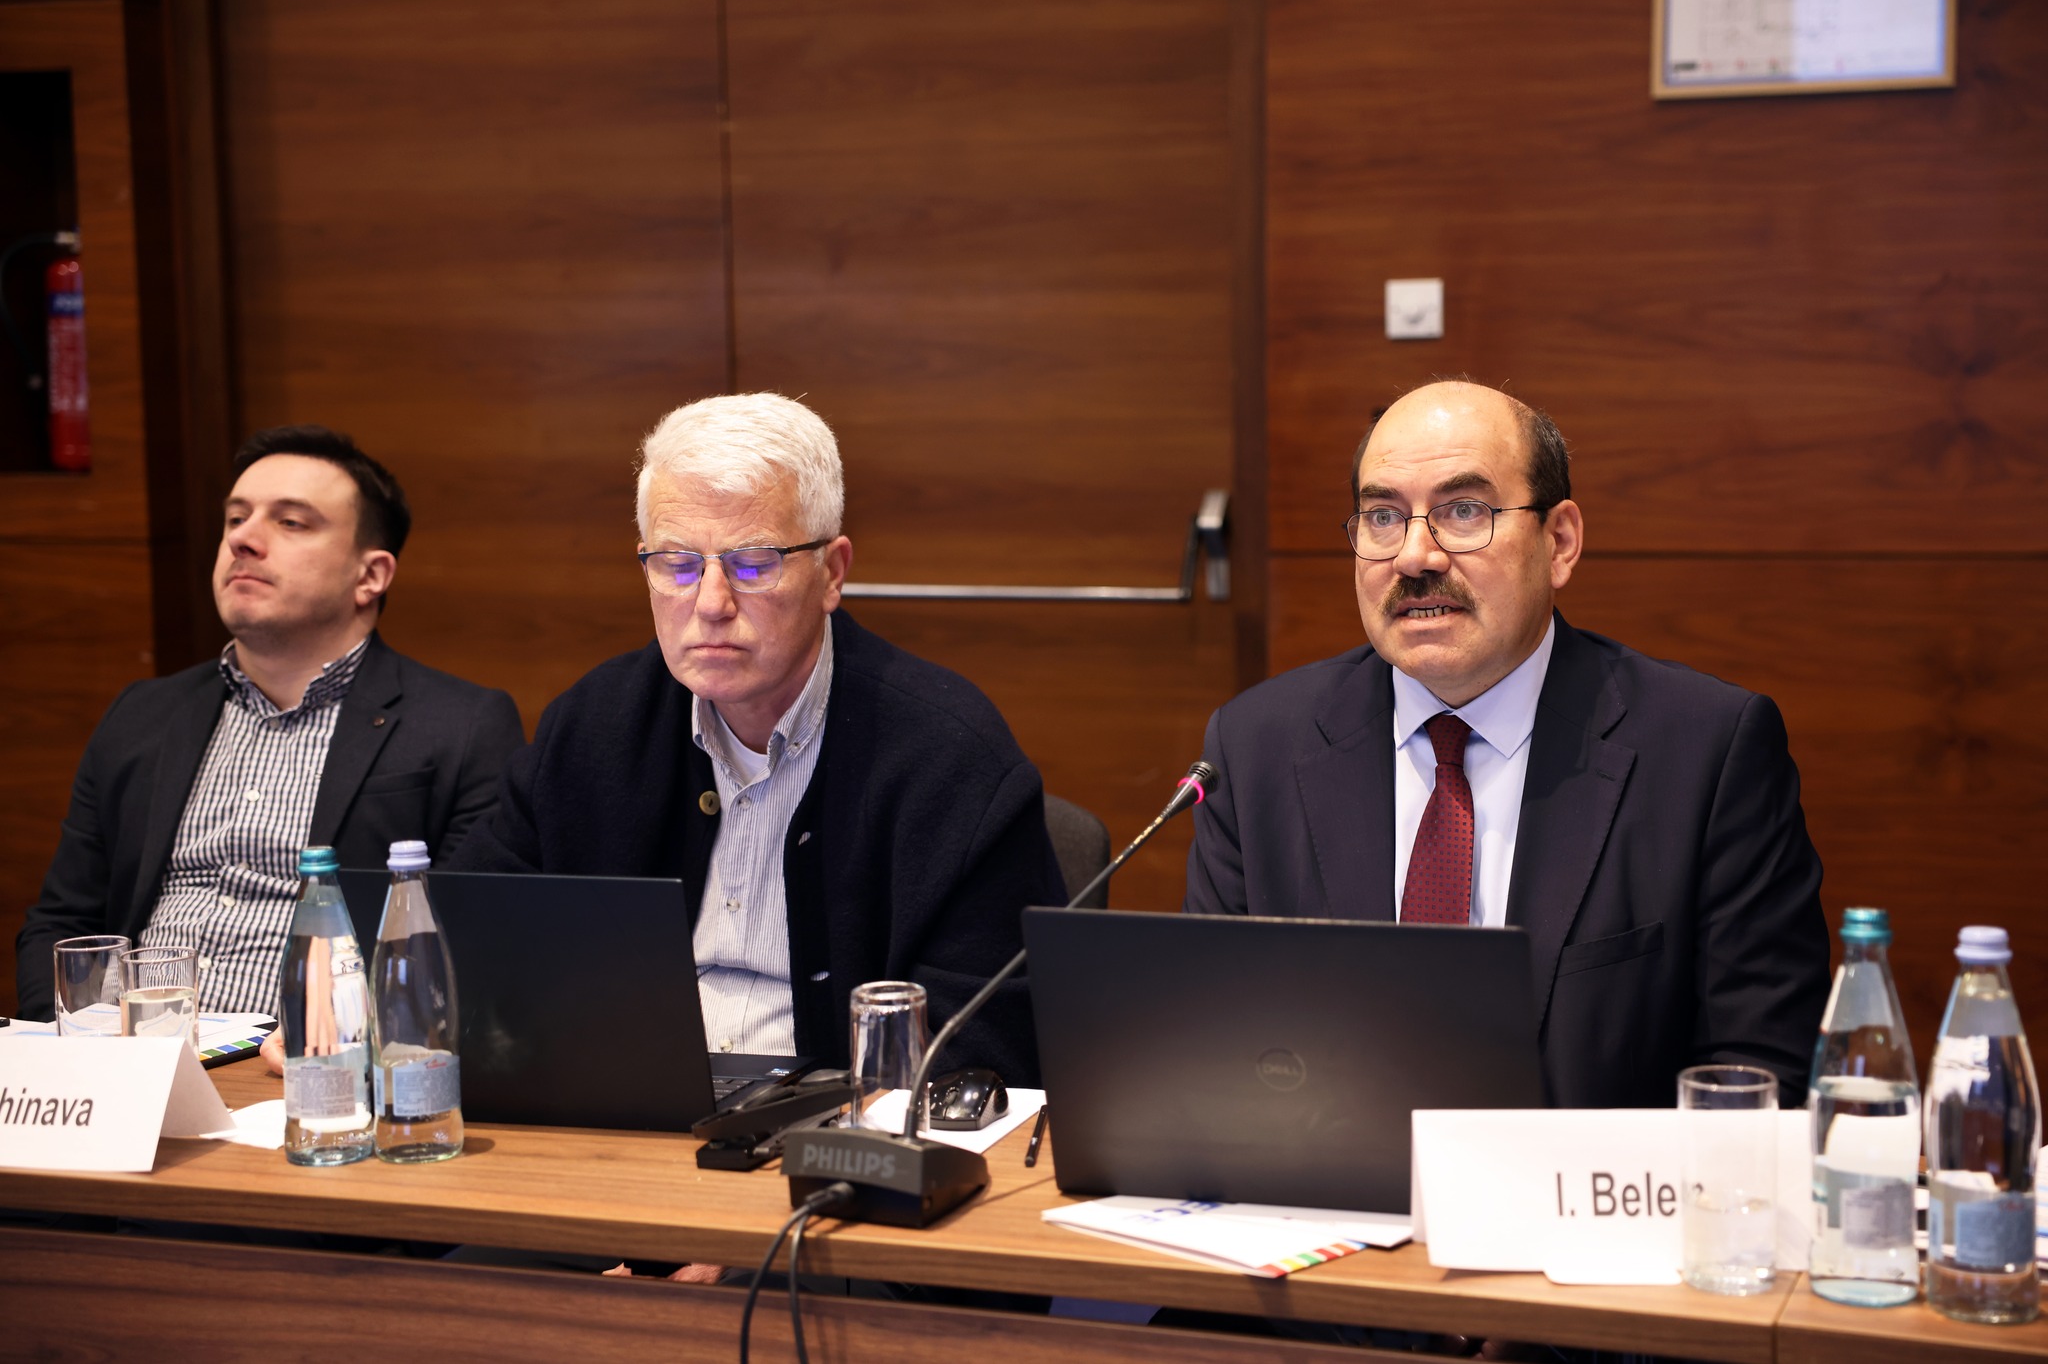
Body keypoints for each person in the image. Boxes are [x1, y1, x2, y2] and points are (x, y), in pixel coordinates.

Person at [1184, 379, 1830, 1107]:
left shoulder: (1705, 751)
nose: (1415, 556)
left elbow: (1758, 1073)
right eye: (1383, 516)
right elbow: (1216, 1045)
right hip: (1330, 1179)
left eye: (1464, 511)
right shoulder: (1255, 748)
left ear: (1560, 542)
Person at [451, 392, 1063, 1085]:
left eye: (753, 563)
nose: (711, 603)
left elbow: (986, 1039)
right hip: (625, 1115)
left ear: (832, 572)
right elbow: (470, 944)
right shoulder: (593, 727)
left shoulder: (949, 756)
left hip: (840, 1128)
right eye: (677, 563)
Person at [17, 426, 525, 1022]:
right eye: (236, 518)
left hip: (310, 1058)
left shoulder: (462, 726)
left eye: (291, 522)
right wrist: (71, 1042)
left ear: (370, 576)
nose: (243, 539)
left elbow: (467, 948)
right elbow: (62, 922)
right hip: (129, 1051)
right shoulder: (144, 714)